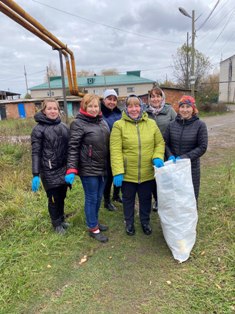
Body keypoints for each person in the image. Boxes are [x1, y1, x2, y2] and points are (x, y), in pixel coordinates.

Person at [110, 95, 165, 236]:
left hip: (147, 171)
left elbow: (159, 143)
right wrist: (118, 171)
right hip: (128, 173)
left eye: (136, 106)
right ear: (126, 108)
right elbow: (115, 150)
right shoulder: (119, 125)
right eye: (130, 106)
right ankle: (129, 223)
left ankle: (145, 221)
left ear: (141, 107)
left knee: (146, 199)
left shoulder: (151, 124)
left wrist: (157, 157)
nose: (134, 109)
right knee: (128, 200)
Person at [65, 94, 110, 243]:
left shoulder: (102, 122)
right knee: (91, 198)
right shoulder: (78, 124)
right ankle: (92, 228)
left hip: (103, 167)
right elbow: (73, 147)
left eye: (96, 106)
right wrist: (71, 168)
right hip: (88, 169)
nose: (93, 109)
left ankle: (94, 221)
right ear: (84, 107)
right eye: (90, 106)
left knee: (98, 197)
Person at [31, 98, 70, 234]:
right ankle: (56, 224)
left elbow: (71, 149)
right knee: (53, 198)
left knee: (62, 195)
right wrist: (35, 174)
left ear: (59, 111)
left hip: (63, 169)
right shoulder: (38, 130)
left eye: (55, 109)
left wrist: (71, 168)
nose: (53, 111)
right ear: (44, 110)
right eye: (49, 108)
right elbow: (36, 152)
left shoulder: (64, 127)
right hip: (48, 170)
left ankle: (61, 218)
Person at [164, 95, 208, 201]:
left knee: (190, 196)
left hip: (191, 168)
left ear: (193, 109)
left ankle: (191, 217)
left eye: (188, 107)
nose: (185, 110)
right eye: (182, 107)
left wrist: (184, 158)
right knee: (175, 195)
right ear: (178, 109)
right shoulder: (171, 125)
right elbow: (165, 143)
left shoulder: (200, 125)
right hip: (174, 166)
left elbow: (202, 147)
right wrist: (170, 156)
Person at [146, 87, 177, 211]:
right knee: (153, 177)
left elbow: (178, 124)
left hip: (167, 149)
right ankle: (157, 200)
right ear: (149, 99)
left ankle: (168, 200)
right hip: (149, 150)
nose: (155, 99)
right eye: (152, 96)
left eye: (158, 96)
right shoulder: (145, 112)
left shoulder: (169, 110)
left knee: (166, 177)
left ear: (162, 98)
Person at [101, 89, 122, 211]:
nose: (112, 102)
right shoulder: (100, 114)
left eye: (114, 100)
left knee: (118, 172)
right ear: (104, 100)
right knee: (108, 176)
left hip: (119, 149)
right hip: (106, 150)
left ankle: (116, 195)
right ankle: (107, 201)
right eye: (109, 99)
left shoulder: (119, 113)